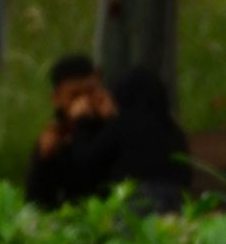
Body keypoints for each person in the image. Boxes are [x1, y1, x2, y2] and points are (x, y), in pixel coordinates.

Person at [67, 64, 190, 216]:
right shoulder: (173, 130)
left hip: (136, 204)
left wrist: (83, 123)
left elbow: (86, 163)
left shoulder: (123, 124)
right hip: (176, 205)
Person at [25, 53, 116, 209]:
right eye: (75, 96)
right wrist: (43, 161)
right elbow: (35, 200)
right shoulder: (54, 135)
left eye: (90, 92)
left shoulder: (111, 127)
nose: (83, 103)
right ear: (56, 98)